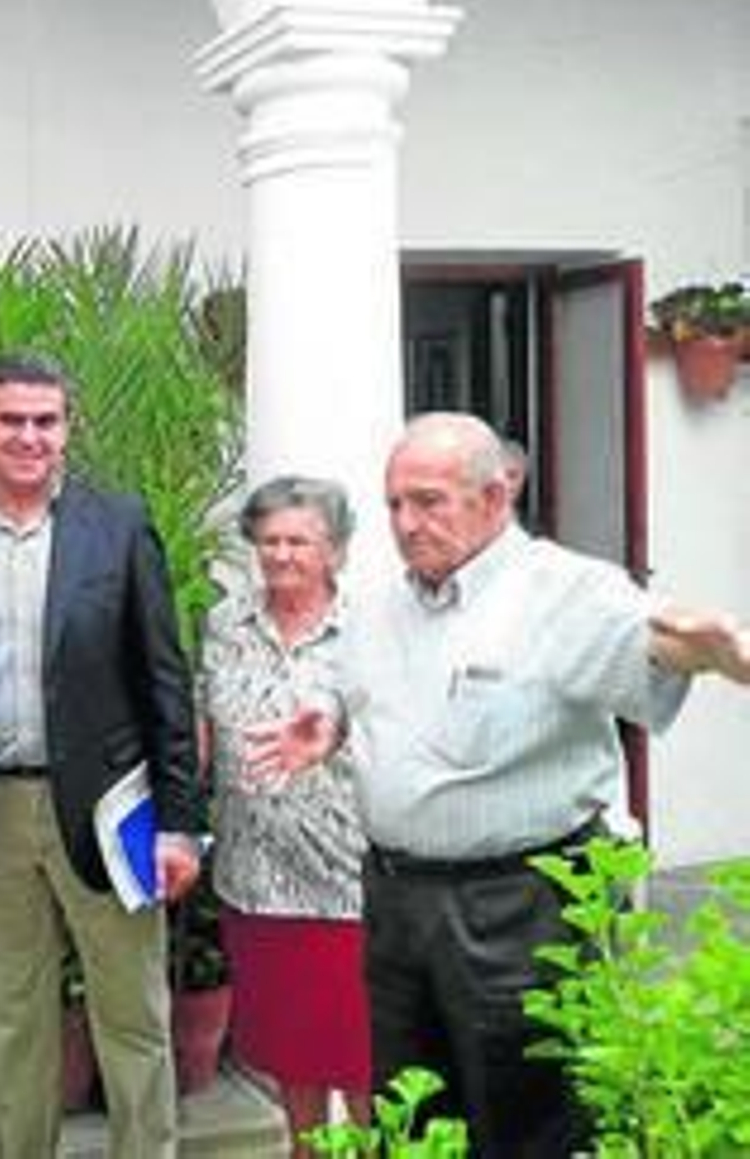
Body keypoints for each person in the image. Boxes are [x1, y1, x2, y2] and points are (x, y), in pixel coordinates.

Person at [245, 411, 750, 1157]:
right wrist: (331, 722)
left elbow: (648, 634)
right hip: (397, 902)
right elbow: (359, 689)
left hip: (520, 906)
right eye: (395, 504)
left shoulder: (560, 589)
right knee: (411, 1113)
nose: (406, 523)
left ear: (495, 495)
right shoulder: (381, 606)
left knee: (529, 1120)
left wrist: (705, 649)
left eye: (428, 501)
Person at [0, 351, 203, 1159]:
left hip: (109, 813)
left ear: (67, 427)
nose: (30, 437)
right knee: (8, 1026)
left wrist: (178, 824)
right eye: (13, 420)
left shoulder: (118, 524)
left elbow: (165, 681)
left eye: (46, 421)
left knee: (134, 1018)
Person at [198, 475, 370, 1156]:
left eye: (299, 541)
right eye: (268, 540)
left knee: (361, 1053)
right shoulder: (224, 624)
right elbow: (204, 717)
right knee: (292, 1050)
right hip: (256, 877)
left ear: (336, 551)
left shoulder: (369, 628)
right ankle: (304, 1149)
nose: (281, 554)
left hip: (348, 879)